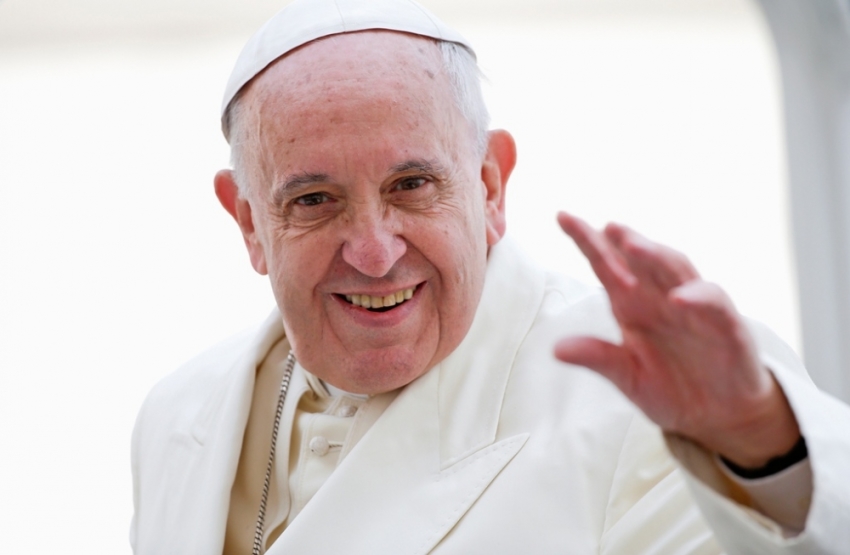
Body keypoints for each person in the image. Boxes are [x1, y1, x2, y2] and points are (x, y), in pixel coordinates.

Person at [130, 0, 850, 553]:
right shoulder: (178, 416)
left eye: (412, 184)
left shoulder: (652, 403)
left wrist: (762, 446)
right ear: (249, 221)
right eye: (314, 200)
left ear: (490, 185)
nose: (375, 252)